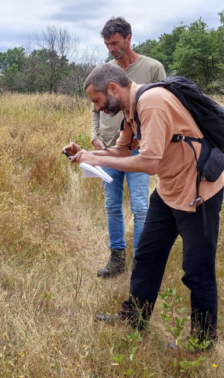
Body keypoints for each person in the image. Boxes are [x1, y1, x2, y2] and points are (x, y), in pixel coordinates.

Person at [63, 64, 224, 346]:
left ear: (113, 88)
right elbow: (124, 150)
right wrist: (87, 153)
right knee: (147, 256)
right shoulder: (131, 109)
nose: (98, 108)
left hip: (198, 190)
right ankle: (135, 316)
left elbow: (148, 163)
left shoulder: (152, 102)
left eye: (97, 101)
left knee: (197, 270)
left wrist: (97, 160)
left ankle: (202, 342)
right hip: (169, 188)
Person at [91, 17, 165, 277]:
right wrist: (94, 140)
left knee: (140, 207)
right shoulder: (106, 71)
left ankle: (140, 261)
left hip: (140, 150)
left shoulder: (153, 68)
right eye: (107, 44)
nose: (111, 49)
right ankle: (117, 258)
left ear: (128, 38)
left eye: (115, 43)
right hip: (112, 146)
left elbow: (161, 108)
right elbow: (96, 109)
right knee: (112, 206)